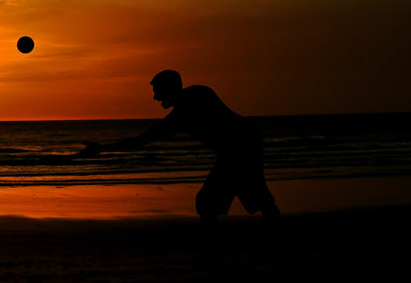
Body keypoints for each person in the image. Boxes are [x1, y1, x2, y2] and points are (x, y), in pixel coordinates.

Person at [77, 70, 280, 225]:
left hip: (240, 150)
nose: (155, 98)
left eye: (157, 91)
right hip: (242, 148)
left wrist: (102, 148)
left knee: (211, 200)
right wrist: (102, 148)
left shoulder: (190, 104)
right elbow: (142, 140)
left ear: (168, 89)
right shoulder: (191, 101)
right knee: (252, 198)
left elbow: (143, 139)